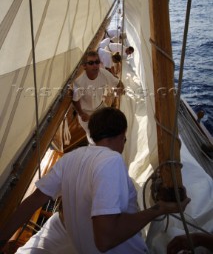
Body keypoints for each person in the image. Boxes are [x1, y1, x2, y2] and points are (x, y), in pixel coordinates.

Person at [0, 107, 190, 254]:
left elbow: (33, 201)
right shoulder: (111, 160)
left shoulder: (69, 159)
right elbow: (105, 240)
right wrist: (159, 209)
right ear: (122, 135)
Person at [72, 51, 124, 142]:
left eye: (97, 62)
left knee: (114, 127)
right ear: (84, 66)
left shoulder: (103, 73)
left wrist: (120, 88)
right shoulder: (79, 82)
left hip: (100, 107)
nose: (95, 65)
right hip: (86, 112)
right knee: (94, 138)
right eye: (91, 63)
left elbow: (118, 83)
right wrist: (81, 113)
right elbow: (75, 100)